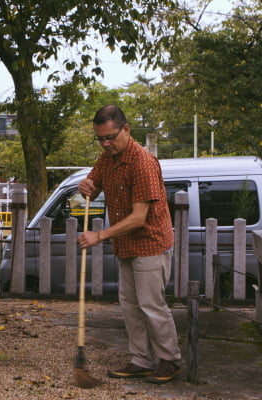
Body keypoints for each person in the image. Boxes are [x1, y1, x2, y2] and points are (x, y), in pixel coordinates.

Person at [77, 105, 182, 384]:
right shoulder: (107, 157)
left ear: (126, 129)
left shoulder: (143, 162)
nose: (106, 143)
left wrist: (98, 236)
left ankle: (169, 359)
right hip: (125, 245)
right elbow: (94, 184)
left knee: (151, 305)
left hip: (150, 244)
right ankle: (140, 360)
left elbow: (138, 218)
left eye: (110, 137)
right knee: (130, 305)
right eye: (100, 138)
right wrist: (86, 185)